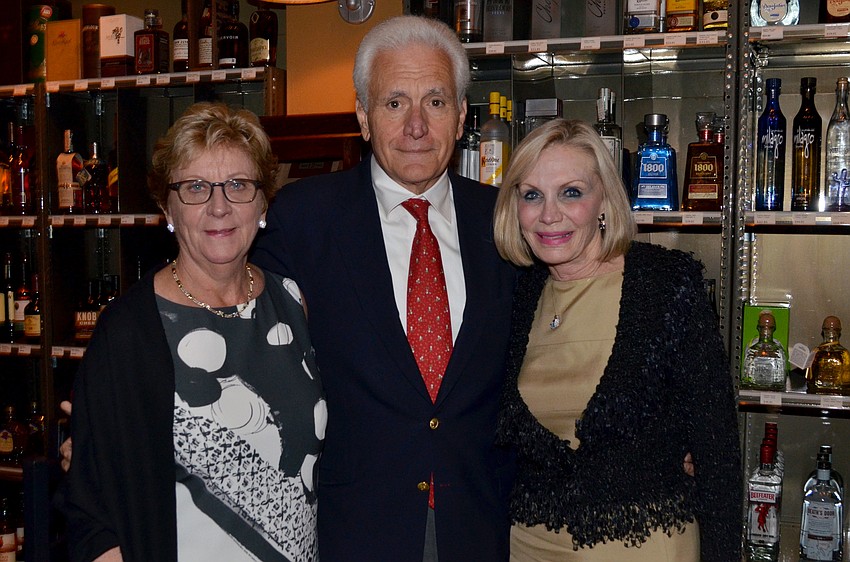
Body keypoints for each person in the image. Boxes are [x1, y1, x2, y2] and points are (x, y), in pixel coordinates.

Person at [251, 15, 516, 561]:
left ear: (461, 117)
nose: (416, 125)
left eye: (435, 102)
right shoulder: (303, 219)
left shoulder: (506, 222)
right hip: (354, 529)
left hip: (482, 526)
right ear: (363, 117)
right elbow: (232, 331)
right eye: (395, 103)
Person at [62, 102, 326, 562]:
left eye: (238, 185)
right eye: (196, 187)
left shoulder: (292, 302)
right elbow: (93, 519)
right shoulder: (129, 332)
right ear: (167, 207)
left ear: (263, 202)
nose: (219, 206)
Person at [492, 119, 741, 561]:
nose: (549, 214)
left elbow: (716, 448)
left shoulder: (665, 284)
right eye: (532, 195)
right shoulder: (518, 292)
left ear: (604, 200)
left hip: (646, 547)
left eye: (571, 192)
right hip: (530, 546)